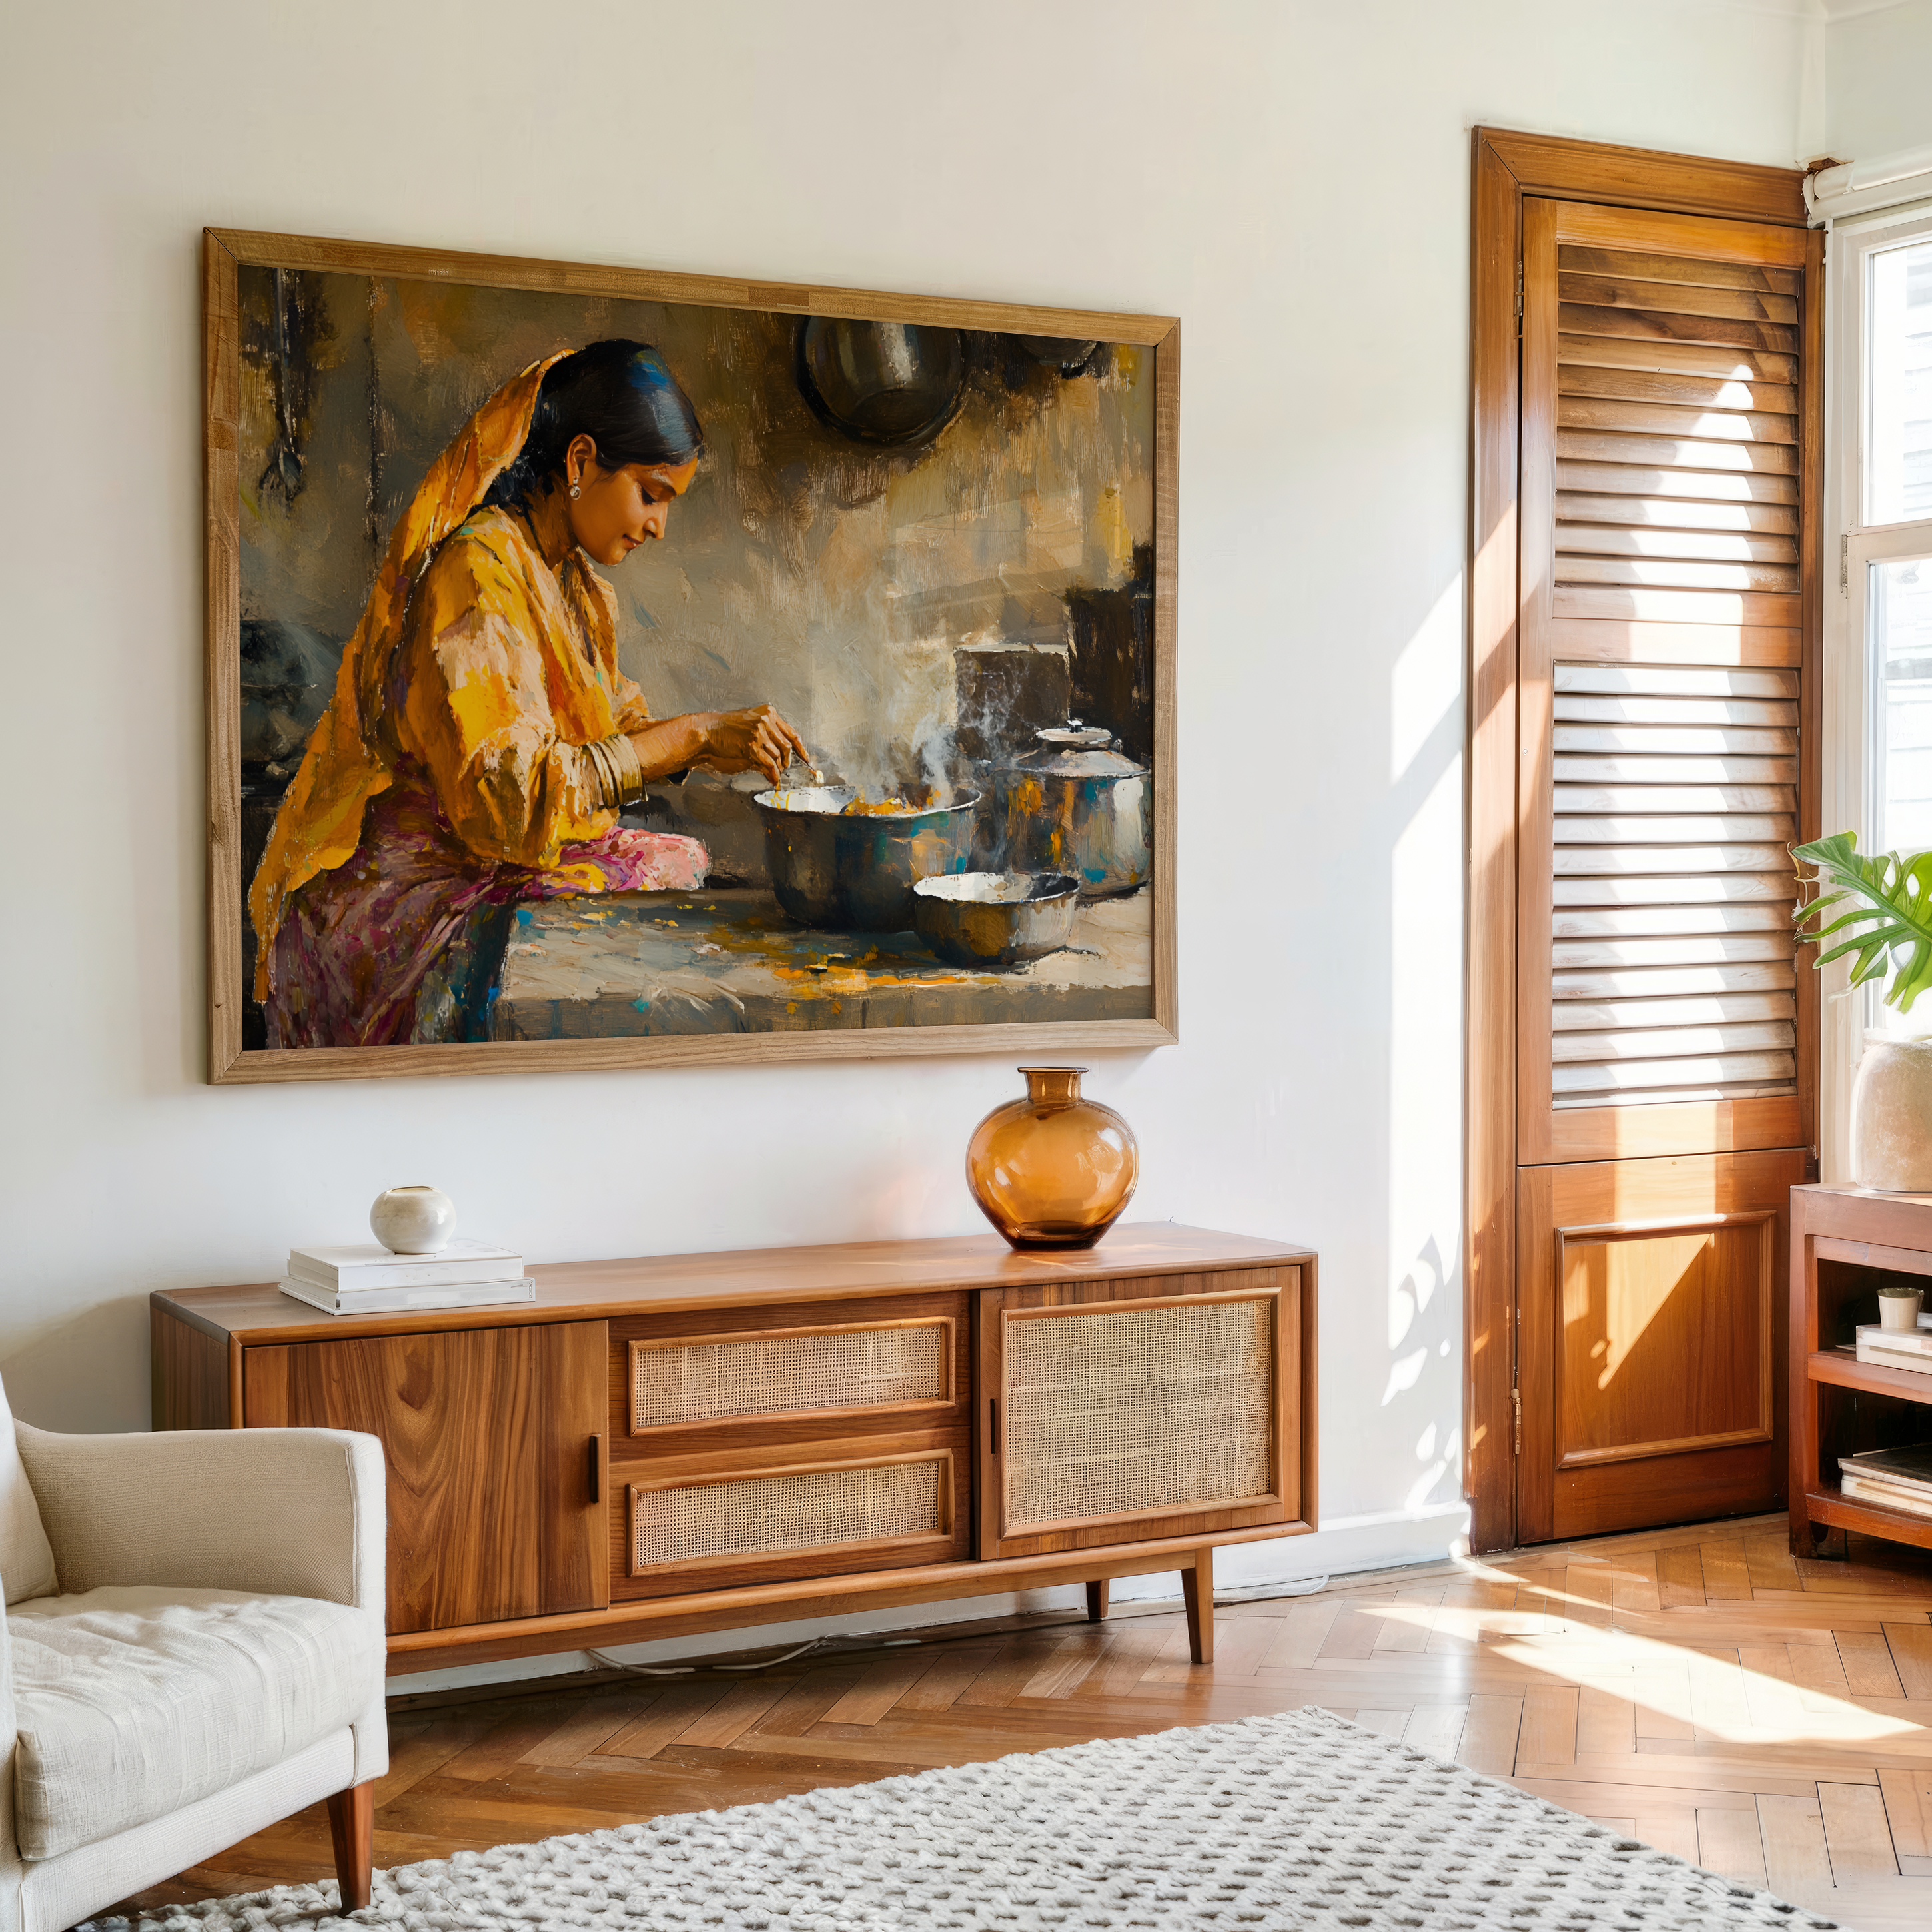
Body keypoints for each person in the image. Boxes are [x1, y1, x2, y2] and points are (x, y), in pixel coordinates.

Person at [248, 340, 808, 1046]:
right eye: (651, 494)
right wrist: (692, 735)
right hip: (414, 900)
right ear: (580, 462)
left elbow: (611, 734)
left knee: (676, 868)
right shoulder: (475, 575)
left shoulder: (575, 587)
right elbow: (507, 805)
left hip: (500, 866)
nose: (658, 527)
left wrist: (708, 746)